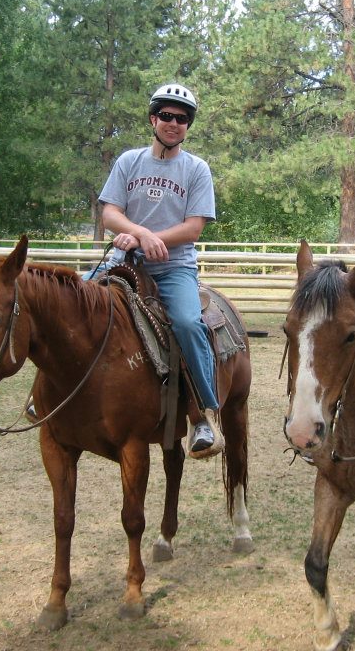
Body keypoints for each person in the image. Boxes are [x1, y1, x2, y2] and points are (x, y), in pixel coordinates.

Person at [98, 82, 223, 459]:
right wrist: (140, 235)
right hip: (123, 263)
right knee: (70, 303)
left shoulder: (196, 169)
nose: (173, 123)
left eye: (181, 119)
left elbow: (194, 227)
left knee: (187, 323)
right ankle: (47, 395)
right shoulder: (129, 161)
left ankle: (203, 414)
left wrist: (148, 239)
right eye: (166, 115)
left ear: (188, 125)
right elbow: (110, 213)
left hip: (173, 269)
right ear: (153, 119)